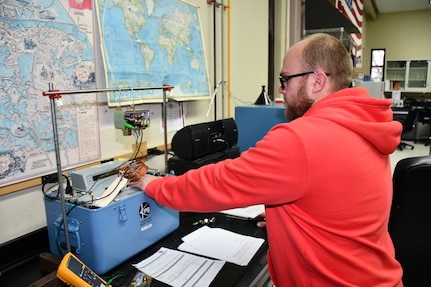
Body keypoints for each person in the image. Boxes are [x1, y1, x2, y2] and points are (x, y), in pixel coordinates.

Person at [130, 33, 404, 286]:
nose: (282, 90)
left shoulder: (302, 138)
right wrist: (287, 217)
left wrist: (152, 184)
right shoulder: (362, 123)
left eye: (286, 80)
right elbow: (341, 198)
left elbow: (217, 182)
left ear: (317, 81)